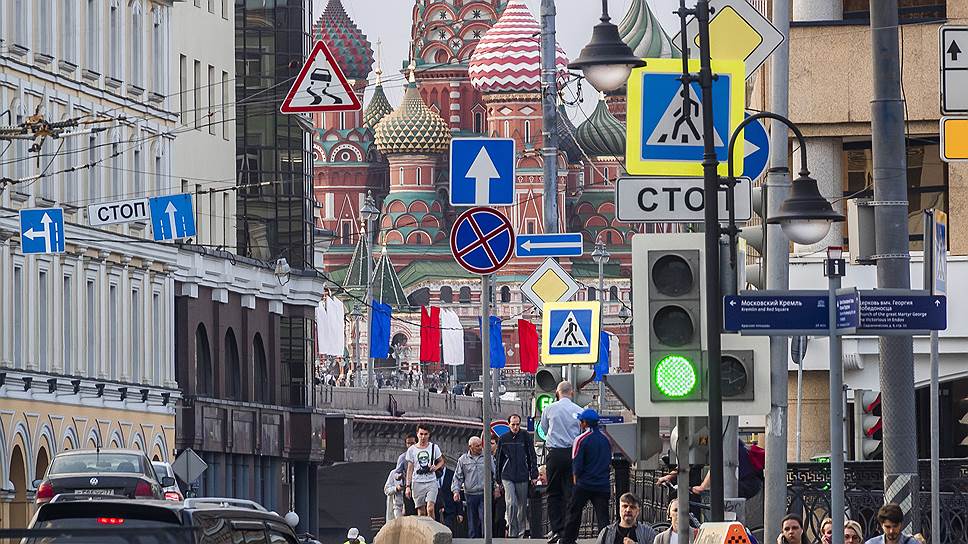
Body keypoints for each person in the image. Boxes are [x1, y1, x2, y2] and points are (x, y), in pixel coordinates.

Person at [540, 380, 584, 543]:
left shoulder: (549, 409)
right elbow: (581, 432)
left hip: (555, 454)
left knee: (553, 492)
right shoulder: (579, 410)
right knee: (571, 493)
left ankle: (557, 529)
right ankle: (569, 530)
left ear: (557, 393)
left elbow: (544, 429)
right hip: (573, 454)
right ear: (572, 393)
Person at [560, 408, 612, 544]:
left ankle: (568, 540)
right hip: (602, 484)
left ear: (584, 423)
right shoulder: (606, 439)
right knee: (603, 517)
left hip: (584, 484)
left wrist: (576, 482)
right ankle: (605, 540)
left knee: (574, 512)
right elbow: (608, 462)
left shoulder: (580, 439)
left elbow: (577, 464)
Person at [496, 414, 539, 538]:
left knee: (522, 506)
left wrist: (534, 474)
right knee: (511, 503)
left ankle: (521, 532)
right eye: (513, 424)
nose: (515, 427)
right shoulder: (503, 439)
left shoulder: (525, 437)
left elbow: (532, 455)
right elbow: (499, 459)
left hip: (522, 475)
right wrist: (498, 479)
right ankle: (512, 531)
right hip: (507, 475)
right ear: (508, 424)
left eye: (517, 424)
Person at [453, 436, 493, 539]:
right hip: (470, 494)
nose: (480, 448)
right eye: (477, 446)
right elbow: (458, 477)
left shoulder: (487, 457)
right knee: (472, 520)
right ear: (470, 447)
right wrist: (456, 491)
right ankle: (473, 540)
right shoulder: (463, 460)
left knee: (484, 519)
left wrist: (497, 487)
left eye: (481, 445)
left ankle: (486, 539)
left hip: (484, 493)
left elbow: (494, 472)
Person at [405, 423, 445, 519]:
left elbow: (441, 461)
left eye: (425, 434)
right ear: (417, 434)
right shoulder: (412, 450)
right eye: (421, 434)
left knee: (430, 508)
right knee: (421, 512)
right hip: (417, 482)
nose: (423, 437)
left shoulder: (434, 447)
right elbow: (410, 469)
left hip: (431, 481)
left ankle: (433, 531)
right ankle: (424, 533)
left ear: (429, 435)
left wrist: (435, 467)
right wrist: (407, 486)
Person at [436, 467, 464, 536]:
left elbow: (457, 492)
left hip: (450, 510)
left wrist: (460, 512)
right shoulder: (430, 475)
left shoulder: (452, 474)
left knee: (449, 533)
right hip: (436, 511)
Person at [396, 433, 418, 516]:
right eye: (408, 443)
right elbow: (396, 473)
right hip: (408, 488)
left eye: (412, 443)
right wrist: (399, 476)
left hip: (421, 487)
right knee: (410, 513)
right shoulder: (403, 457)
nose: (410, 446)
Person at [491, 436, 507, 538]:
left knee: (499, 518)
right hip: (488, 492)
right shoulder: (485, 457)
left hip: (501, 491)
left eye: (492, 443)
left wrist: (498, 486)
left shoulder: (500, 457)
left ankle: (499, 538)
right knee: (491, 518)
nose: (489, 446)